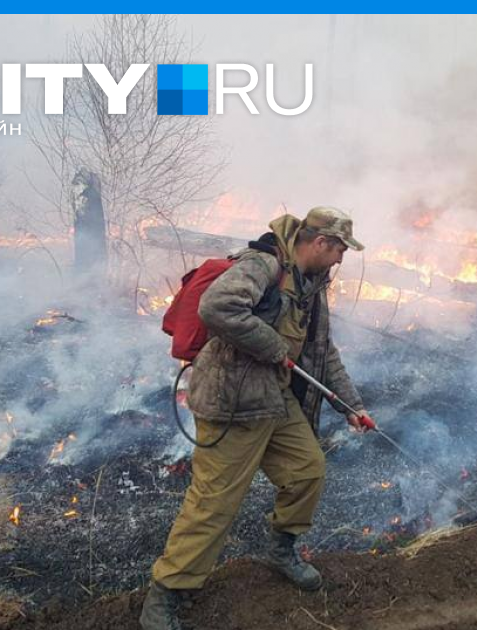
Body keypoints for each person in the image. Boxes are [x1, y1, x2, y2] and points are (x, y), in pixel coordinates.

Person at [141, 206, 372, 630]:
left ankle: (280, 549)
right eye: (340, 249)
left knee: (307, 470)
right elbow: (218, 306)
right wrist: (271, 345)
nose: (341, 259)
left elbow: (323, 352)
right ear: (320, 243)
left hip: (274, 400)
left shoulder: (312, 284)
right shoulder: (262, 265)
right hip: (233, 402)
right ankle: (166, 593)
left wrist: (351, 406)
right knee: (214, 504)